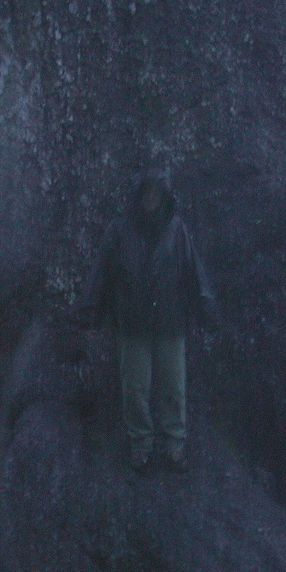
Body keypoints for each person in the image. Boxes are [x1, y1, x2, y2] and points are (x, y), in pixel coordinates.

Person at [79, 172, 217, 473]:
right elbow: (101, 272)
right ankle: (141, 447)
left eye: (156, 192)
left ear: (164, 196)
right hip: (132, 324)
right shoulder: (119, 230)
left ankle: (174, 448)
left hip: (170, 321)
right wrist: (89, 310)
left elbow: (193, 269)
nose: (151, 198)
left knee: (174, 387)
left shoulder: (176, 229)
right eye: (146, 192)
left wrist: (205, 304)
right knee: (135, 389)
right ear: (138, 195)